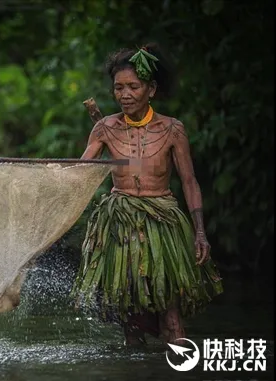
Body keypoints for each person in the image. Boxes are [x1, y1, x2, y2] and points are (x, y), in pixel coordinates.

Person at [72, 43, 223, 345]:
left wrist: (200, 233)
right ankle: (137, 369)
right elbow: (80, 171)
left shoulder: (172, 130)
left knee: (171, 314)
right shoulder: (104, 128)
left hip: (163, 223)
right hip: (120, 225)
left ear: (151, 89)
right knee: (130, 314)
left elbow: (190, 181)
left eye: (133, 87)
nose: (125, 95)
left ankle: (178, 362)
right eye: (118, 88)